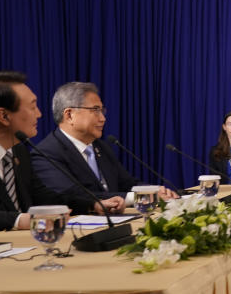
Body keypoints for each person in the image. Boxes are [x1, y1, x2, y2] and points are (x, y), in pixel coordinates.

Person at [0, 71, 110, 234]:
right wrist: (20, 220)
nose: (39, 114)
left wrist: (92, 205)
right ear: (3, 115)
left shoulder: (18, 147)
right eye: (33, 107)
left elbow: (41, 197)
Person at [32, 82, 176, 205]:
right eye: (95, 110)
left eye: (102, 111)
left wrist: (154, 191)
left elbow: (127, 184)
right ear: (69, 115)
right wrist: (142, 197)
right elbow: (74, 196)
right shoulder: (46, 153)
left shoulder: (100, 146)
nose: (103, 119)